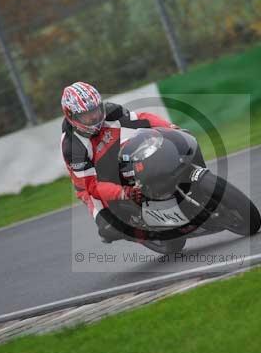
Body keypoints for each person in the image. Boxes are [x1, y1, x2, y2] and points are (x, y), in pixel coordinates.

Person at [60, 81, 179, 243]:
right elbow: (93, 186)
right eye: (86, 115)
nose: (94, 117)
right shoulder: (72, 146)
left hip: (116, 155)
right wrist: (124, 193)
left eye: (95, 110)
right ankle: (143, 231)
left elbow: (143, 119)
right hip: (92, 180)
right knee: (109, 228)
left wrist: (171, 128)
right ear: (72, 116)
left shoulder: (110, 111)